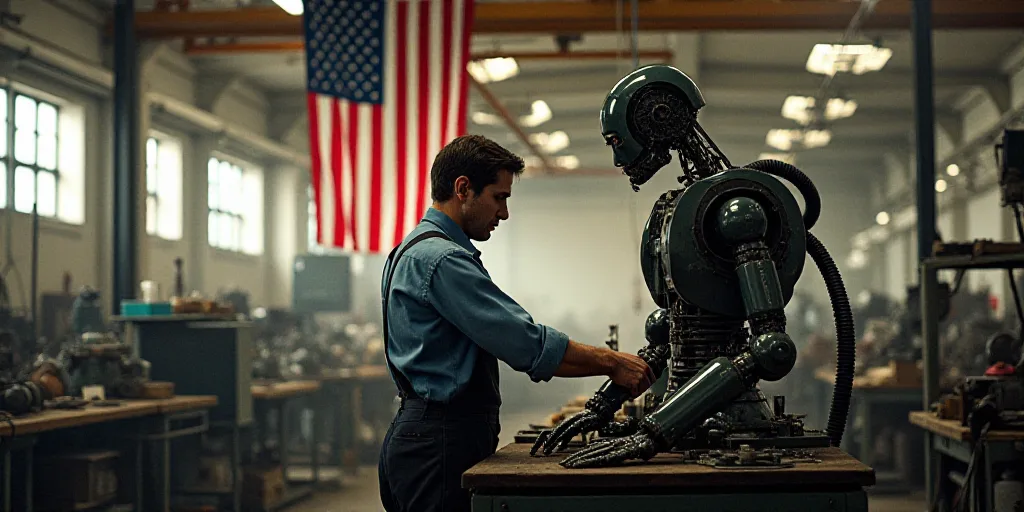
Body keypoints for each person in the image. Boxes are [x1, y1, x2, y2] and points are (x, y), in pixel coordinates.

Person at [378, 135, 655, 512]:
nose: (504, 213)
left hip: (423, 435)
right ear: (463, 188)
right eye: (499, 197)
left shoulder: (411, 250)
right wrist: (612, 362)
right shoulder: (442, 260)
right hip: (438, 443)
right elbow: (525, 344)